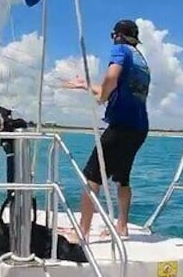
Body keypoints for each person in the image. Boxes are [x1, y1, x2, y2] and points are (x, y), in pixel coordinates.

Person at [64, 19, 151, 238]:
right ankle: (122, 227)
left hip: (121, 126)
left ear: (118, 35)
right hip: (139, 128)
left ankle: (81, 232)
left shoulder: (120, 49)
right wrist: (86, 85)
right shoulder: (141, 61)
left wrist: (101, 97)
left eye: (113, 35)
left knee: (91, 176)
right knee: (123, 177)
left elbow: (110, 79)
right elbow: (113, 89)